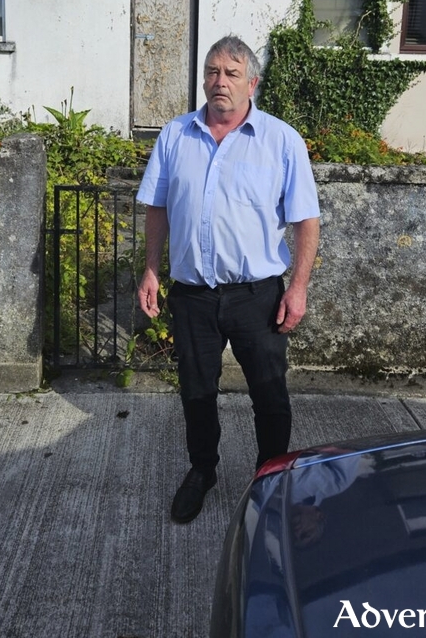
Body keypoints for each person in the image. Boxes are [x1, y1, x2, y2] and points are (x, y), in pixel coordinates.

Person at [136, 35, 320, 524]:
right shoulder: (176, 135)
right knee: (197, 391)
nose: (220, 82)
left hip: (256, 296)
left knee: (269, 392)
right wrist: (152, 268)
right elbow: (157, 207)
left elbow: (305, 221)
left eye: (232, 73)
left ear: (252, 82)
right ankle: (203, 471)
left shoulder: (281, 141)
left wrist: (297, 288)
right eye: (213, 72)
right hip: (193, 295)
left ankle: (271, 476)